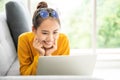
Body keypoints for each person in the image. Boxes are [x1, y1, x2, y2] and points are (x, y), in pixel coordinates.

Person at [18, 1, 70, 75]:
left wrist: (48, 56)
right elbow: (25, 75)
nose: (50, 39)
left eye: (55, 32)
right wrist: (40, 56)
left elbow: (63, 73)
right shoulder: (24, 39)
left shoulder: (63, 39)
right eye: (45, 33)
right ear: (34, 30)